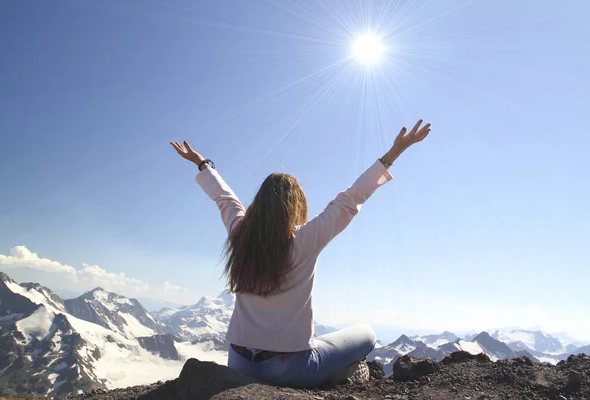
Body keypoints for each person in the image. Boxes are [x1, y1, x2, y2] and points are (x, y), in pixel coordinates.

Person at [170, 119, 431, 388]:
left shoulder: (240, 234)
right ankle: (334, 376)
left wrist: (202, 164)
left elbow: (224, 198)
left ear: (259, 202)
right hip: (289, 369)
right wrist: (393, 154)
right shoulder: (305, 240)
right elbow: (350, 199)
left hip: (238, 364)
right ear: (295, 206)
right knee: (366, 333)